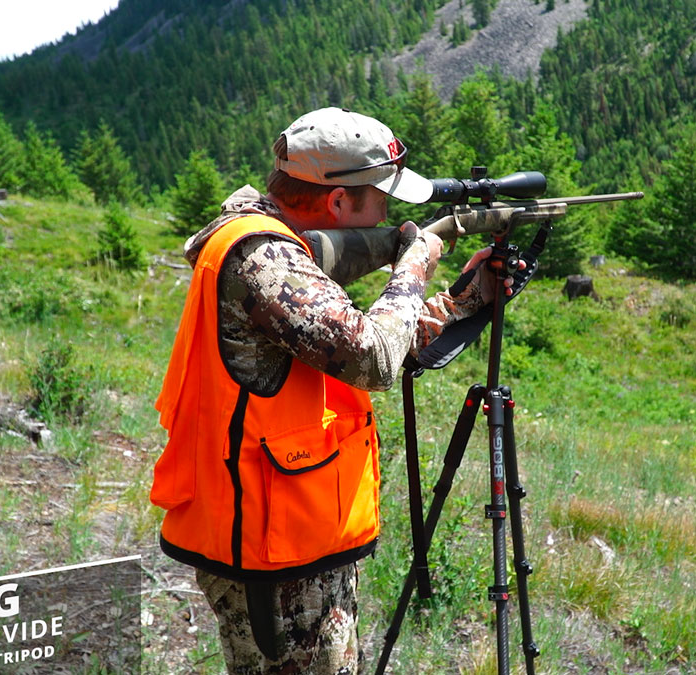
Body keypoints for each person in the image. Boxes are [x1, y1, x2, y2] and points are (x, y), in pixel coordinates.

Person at [149, 107, 505, 674]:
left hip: (289, 528)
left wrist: (467, 299)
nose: (390, 213)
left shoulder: (282, 247)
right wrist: (412, 268)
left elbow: (354, 344)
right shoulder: (264, 260)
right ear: (339, 204)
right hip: (272, 549)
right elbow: (371, 358)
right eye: (381, 198)